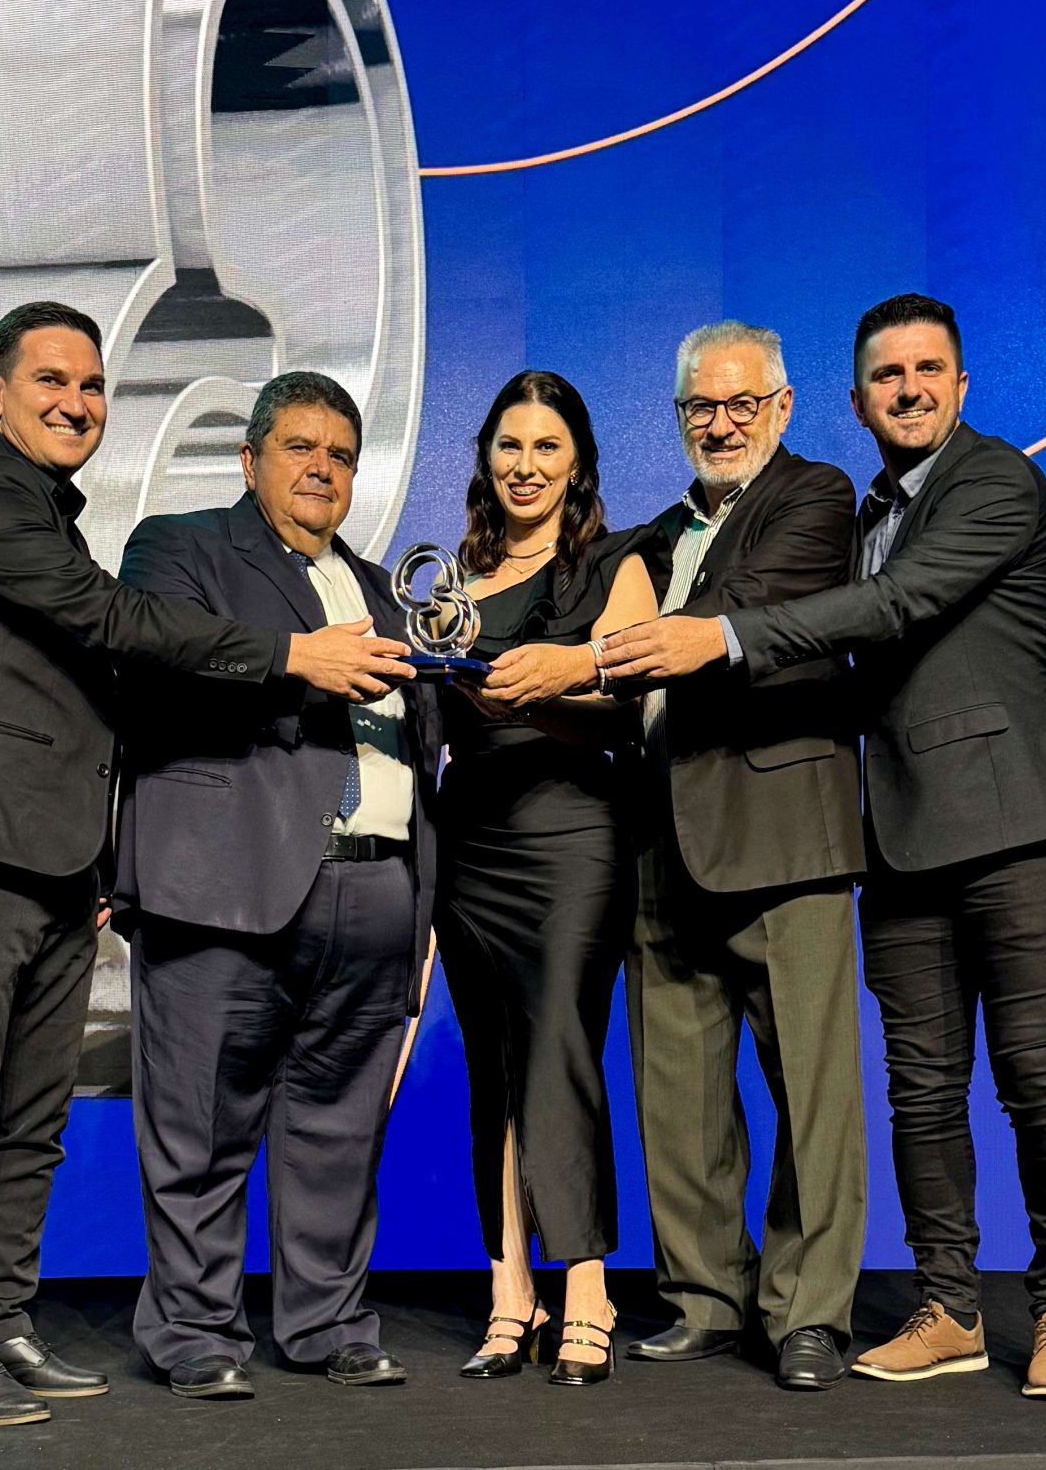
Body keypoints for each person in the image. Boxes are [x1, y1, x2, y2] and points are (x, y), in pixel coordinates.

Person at [0, 304, 411, 1427]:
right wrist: (289, 655)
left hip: (57, 855)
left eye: (91, 386)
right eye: (50, 380)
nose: (75, 402)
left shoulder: (48, 513)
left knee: (31, 1118)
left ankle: (4, 1320)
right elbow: (109, 619)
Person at [601, 293, 1046, 1401]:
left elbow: (895, 606)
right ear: (857, 398)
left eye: (926, 370)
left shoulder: (994, 481)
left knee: (1034, 1074)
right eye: (886, 375)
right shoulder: (868, 504)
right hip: (902, 835)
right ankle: (949, 1307)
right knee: (920, 1088)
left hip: (1015, 824)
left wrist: (714, 636)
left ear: (960, 384)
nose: (908, 389)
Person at [111, 372, 438, 1400]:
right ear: (250, 459)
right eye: (300, 446)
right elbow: (154, 664)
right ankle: (195, 1331)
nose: (320, 468)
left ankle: (327, 1320)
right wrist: (299, 661)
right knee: (200, 1123)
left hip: (375, 887)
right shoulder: (181, 547)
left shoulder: (383, 589)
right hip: (225, 883)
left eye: (340, 454)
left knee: (339, 1130)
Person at [591, 322, 868, 1390]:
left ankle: (808, 1311)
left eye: (740, 403)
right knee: (677, 1091)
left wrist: (596, 648)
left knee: (812, 1093)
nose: (719, 423)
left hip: (781, 833)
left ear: (782, 406)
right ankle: (704, 1297)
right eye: (700, 407)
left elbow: (733, 618)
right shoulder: (655, 533)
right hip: (661, 836)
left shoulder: (815, 497)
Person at [430, 371, 658, 1387]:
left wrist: (542, 693)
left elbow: (634, 702)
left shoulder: (616, 562)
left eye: (547, 447)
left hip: (572, 835)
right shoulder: (447, 584)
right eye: (509, 446)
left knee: (560, 1047)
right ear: (485, 459)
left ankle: (588, 1288)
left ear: (578, 465)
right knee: (494, 1068)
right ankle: (509, 1290)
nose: (525, 466)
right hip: (470, 842)